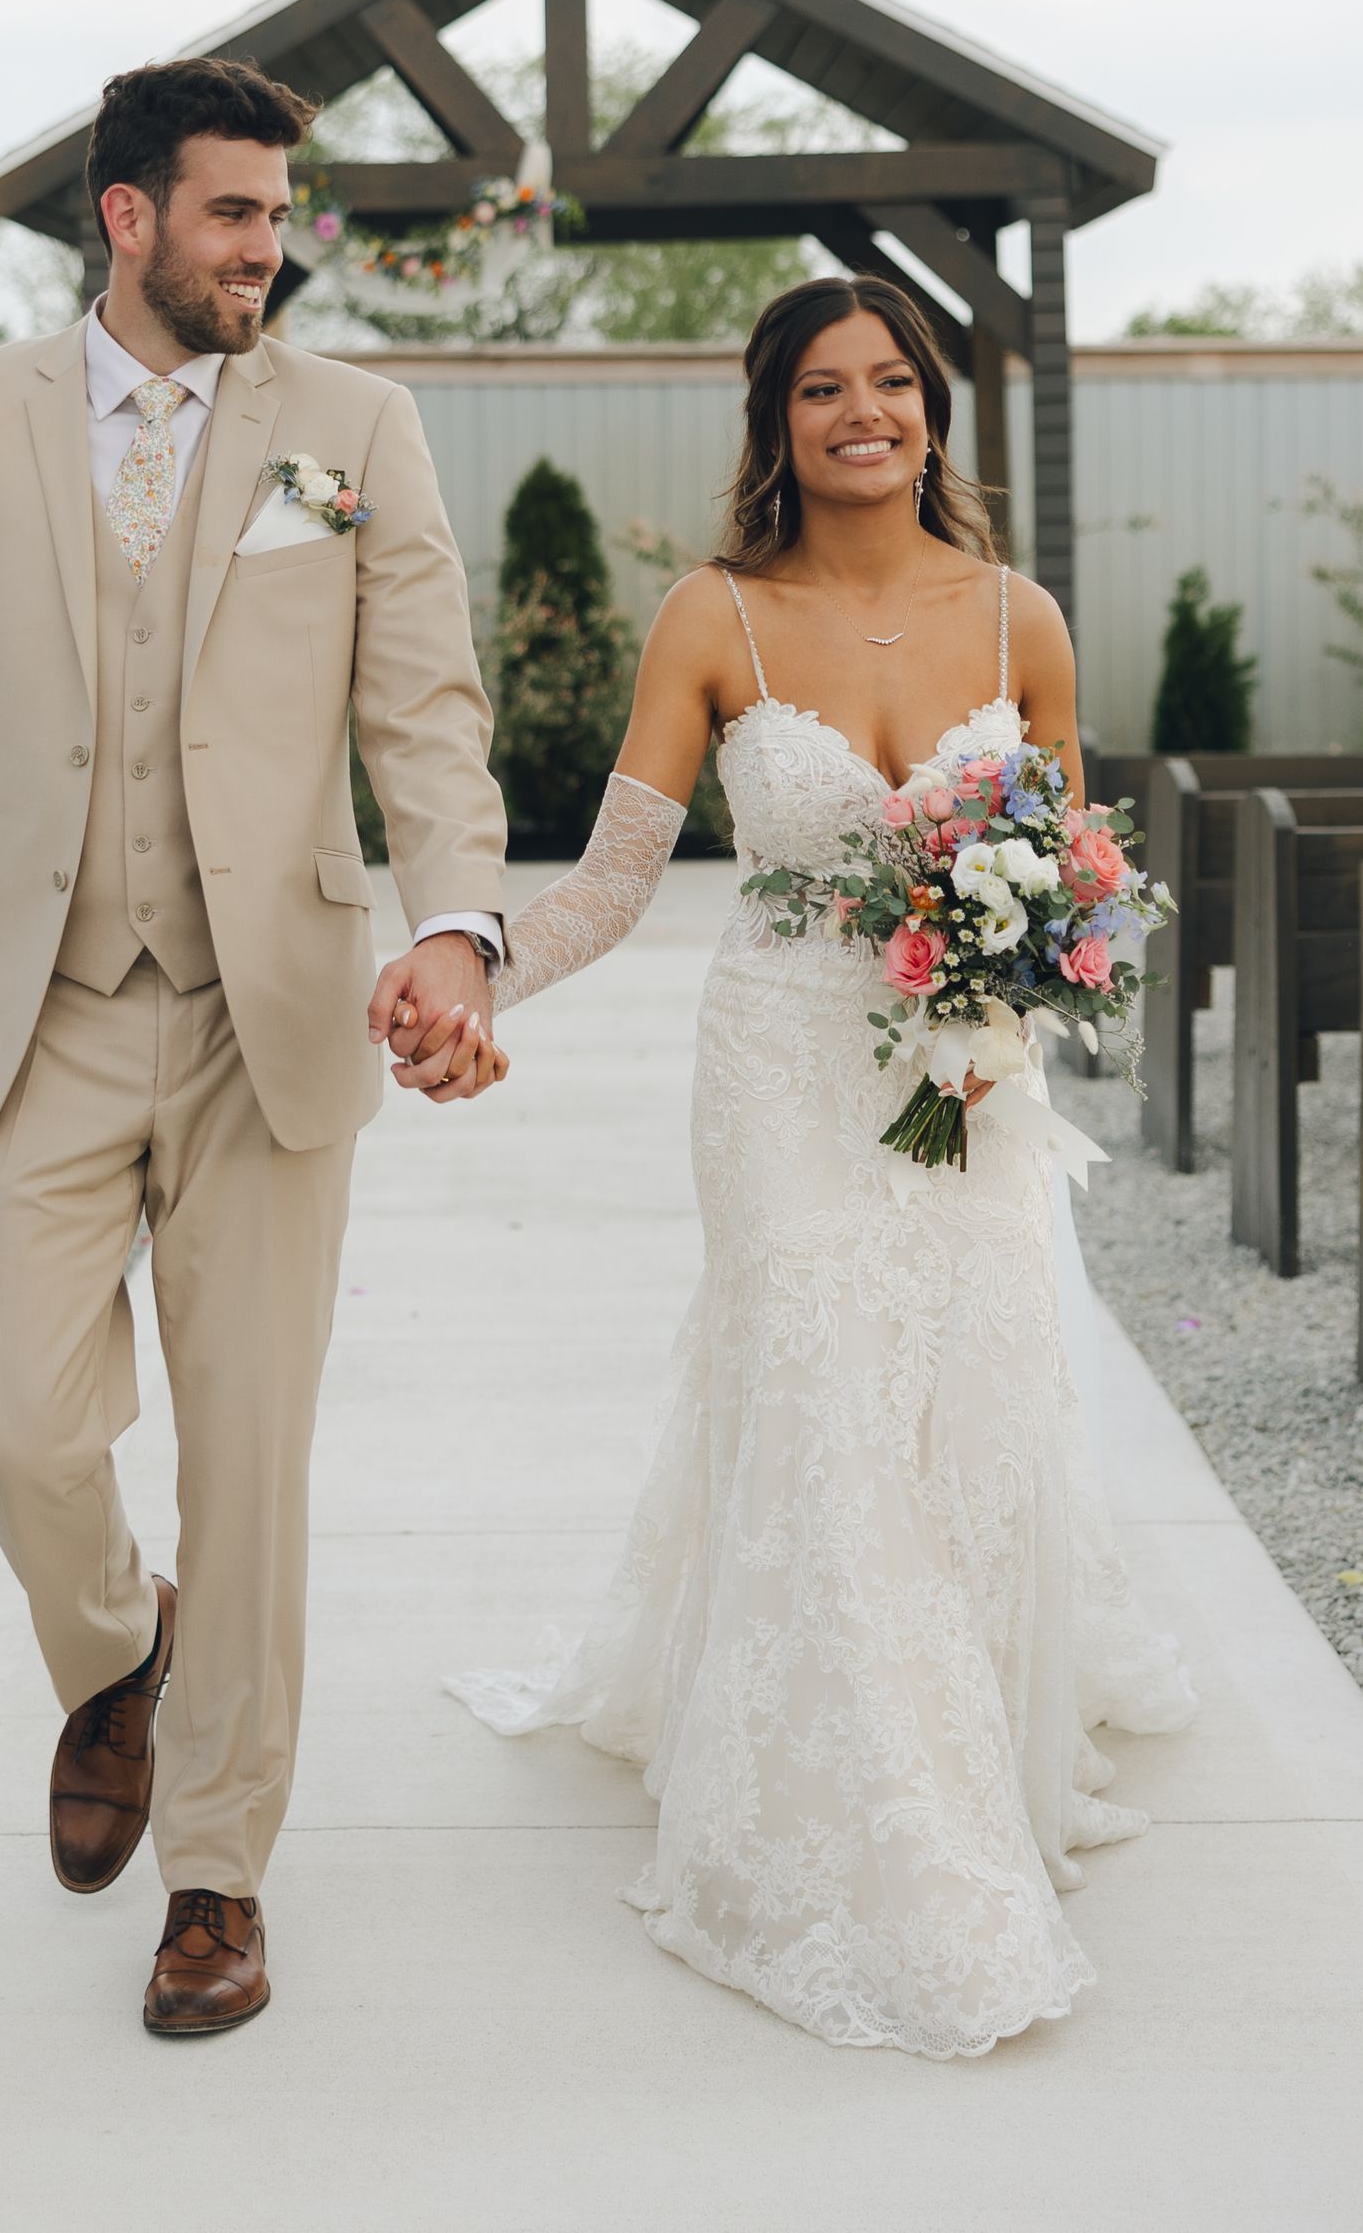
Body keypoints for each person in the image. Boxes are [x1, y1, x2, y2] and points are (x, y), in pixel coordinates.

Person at [0, 56, 509, 2037]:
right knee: (18, 1428)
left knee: (252, 1461)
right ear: (127, 217)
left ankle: (217, 1876)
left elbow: (426, 712)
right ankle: (123, 1650)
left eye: (281, 217)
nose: (263, 250)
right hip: (33, 1004)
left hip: (265, 1014)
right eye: (231, 214)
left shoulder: (350, 430)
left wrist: (456, 930)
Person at [449, 274, 1194, 2059]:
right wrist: (484, 968)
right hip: (781, 1065)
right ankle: (881, 1822)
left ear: (935, 409)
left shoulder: (1022, 619)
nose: (864, 413)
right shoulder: (716, 618)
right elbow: (621, 877)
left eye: (893, 384)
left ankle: (972, 1731)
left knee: (963, 1392)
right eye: (822, 390)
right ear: (773, 423)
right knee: (818, 1383)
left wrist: (1031, 971)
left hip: (967, 1080)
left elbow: (1079, 862)